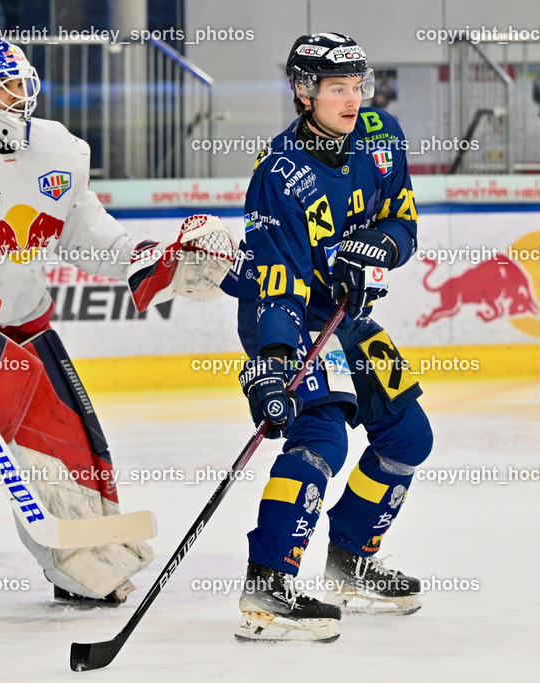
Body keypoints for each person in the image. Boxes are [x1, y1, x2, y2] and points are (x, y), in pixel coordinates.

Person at [0, 38, 235, 623]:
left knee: (73, 446)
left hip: (27, 326)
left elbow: (88, 237)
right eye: (4, 85)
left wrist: (155, 259)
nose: (19, 95)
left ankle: (85, 566)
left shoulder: (60, 147)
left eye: (22, 81)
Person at [221, 33, 433, 643]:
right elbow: (274, 276)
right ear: (303, 91)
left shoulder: (382, 135)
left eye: (357, 86)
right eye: (336, 88)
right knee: (319, 437)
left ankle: (349, 563)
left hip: (350, 315)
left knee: (407, 434)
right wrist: (274, 363)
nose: (351, 99)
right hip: (288, 317)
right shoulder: (278, 173)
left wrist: (381, 246)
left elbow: (402, 219)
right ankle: (268, 583)